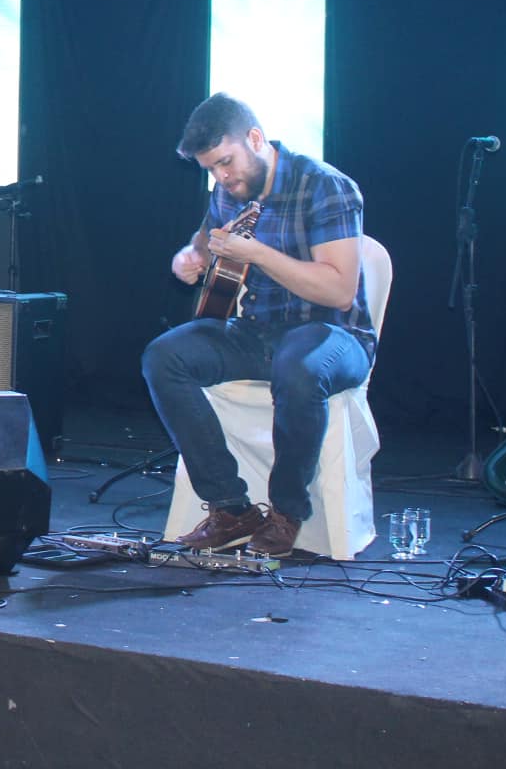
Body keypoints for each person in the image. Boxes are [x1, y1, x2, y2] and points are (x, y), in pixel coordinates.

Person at [143, 93, 376, 558]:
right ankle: (231, 508)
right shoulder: (229, 191)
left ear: (254, 138)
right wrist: (191, 256)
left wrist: (258, 254)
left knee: (299, 367)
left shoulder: (325, 186)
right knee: (164, 357)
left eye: (225, 162)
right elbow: (208, 239)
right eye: (211, 170)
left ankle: (286, 513)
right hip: (259, 330)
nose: (222, 177)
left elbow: (339, 291)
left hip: (335, 334)